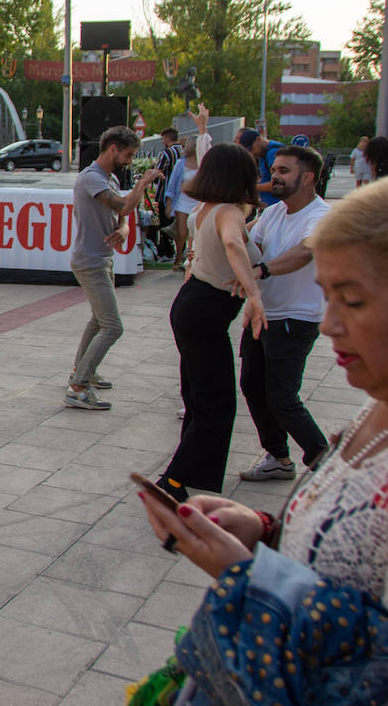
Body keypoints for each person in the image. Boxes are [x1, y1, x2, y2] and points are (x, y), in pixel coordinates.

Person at [137, 171, 388, 706]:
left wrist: (252, 580)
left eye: (352, 301)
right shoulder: (380, 407)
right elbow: (348, 562)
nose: (329, 324)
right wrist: (265, 534)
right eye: (326, 297)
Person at [156, 142, 266, 502]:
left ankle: (197, 475)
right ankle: (172, 482)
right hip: (205, 311)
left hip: (193, 306)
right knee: (216, 403)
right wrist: (254, 294)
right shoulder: (229, 212)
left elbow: (225, 246)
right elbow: (233, 245)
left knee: (200, 398)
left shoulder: (208, 208)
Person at [235, 146, 331, 483]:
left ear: (307, 178)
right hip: (264, 314)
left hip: (296, 318)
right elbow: (248, 241)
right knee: (252, 386)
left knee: (281, 396)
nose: (274, 176)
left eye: (283, 171)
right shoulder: (275, 213)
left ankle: (325, 462)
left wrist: (260, 271)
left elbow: (305, 253)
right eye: (274, 169)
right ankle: (278, 457)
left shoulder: (321, 216)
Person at [65, 126, 164, 411]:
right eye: (129, 154)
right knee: (113, 327)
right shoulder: (91, 178)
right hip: (90, 262)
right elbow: (123, 205)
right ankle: (78, 387)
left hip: (101, 258)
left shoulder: (105, 178)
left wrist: (121, 229)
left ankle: (80, 372)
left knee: (98, 321)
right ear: (112, 150)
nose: (130, 160)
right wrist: (142, 184)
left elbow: (121, 215)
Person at [163, 136, 201, 271]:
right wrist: (168, 204)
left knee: (197, 232)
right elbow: (172, 185)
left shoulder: (204, 163)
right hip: (183, 202)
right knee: (182, 233)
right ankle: (178, 258)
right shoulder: (181, 163)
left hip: (199, 202)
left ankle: (193, 259)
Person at [237, 127, 282, 208]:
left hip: (275, 205)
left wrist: (252, 186)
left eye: (252, 148)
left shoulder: (272, 153)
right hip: (270, 205)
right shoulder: (264, 153)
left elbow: (277, 184)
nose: (252, 152)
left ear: (258, 139)